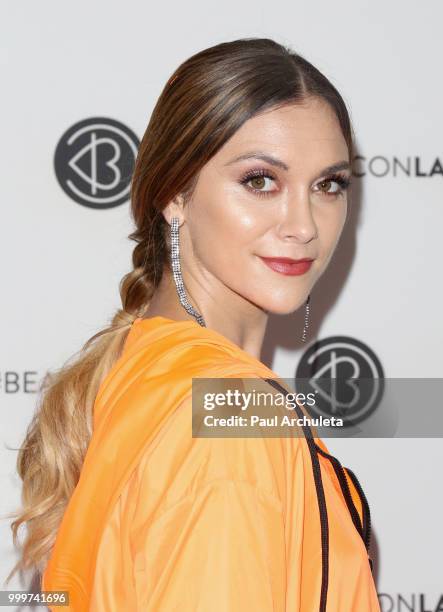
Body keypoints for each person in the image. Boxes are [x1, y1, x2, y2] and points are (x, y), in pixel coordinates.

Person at [8, 37, 381, 610]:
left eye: (328, 185)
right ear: (174, 194)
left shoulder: (140, 367)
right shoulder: (228, 414)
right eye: (261, 180)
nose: (304, 224)